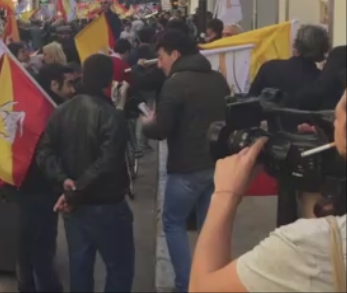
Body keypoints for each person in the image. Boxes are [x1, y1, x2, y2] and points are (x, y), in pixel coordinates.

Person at [188, 90, 347, 293]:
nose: (333, 121)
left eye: (337, 116)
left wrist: (225, 194)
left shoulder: (310, 246)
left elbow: (201, 289)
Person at [140, 30, 230, 293]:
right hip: (216, 165)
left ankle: (185, 283)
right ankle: (208, 281)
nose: (159, 64)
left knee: (172, 221)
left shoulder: (175, 84)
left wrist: (147, 124)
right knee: (209, 228)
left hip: (186, 169)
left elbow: (162, 129)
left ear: (175, 54)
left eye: (160, 57)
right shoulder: (217, 79)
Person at [36, 54, 134, 293]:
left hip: (75, 205)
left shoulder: (61, 111)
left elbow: (44, 152)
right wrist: (71, 186)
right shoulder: (111, 115)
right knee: (119, 269)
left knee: (80, 269)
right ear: (109, 81)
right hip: (105, 204)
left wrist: (66, 183)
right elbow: (108, 161)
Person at [249, 24, 331, 226]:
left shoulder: (271, 69)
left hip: (277, 144)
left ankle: (285, 236)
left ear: (296, 45)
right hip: (313, 151)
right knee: (311, 203)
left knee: (286, 193)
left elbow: (252, 104)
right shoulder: (322, 80)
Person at [15, 64, 74, 293]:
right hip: (39, 187)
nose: (72, 89)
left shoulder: (41, 105)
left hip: (27, 185)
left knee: (28, 242)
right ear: (53, 84)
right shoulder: (48, 111)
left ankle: (27, 285)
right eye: (68, 83)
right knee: (41, 245)